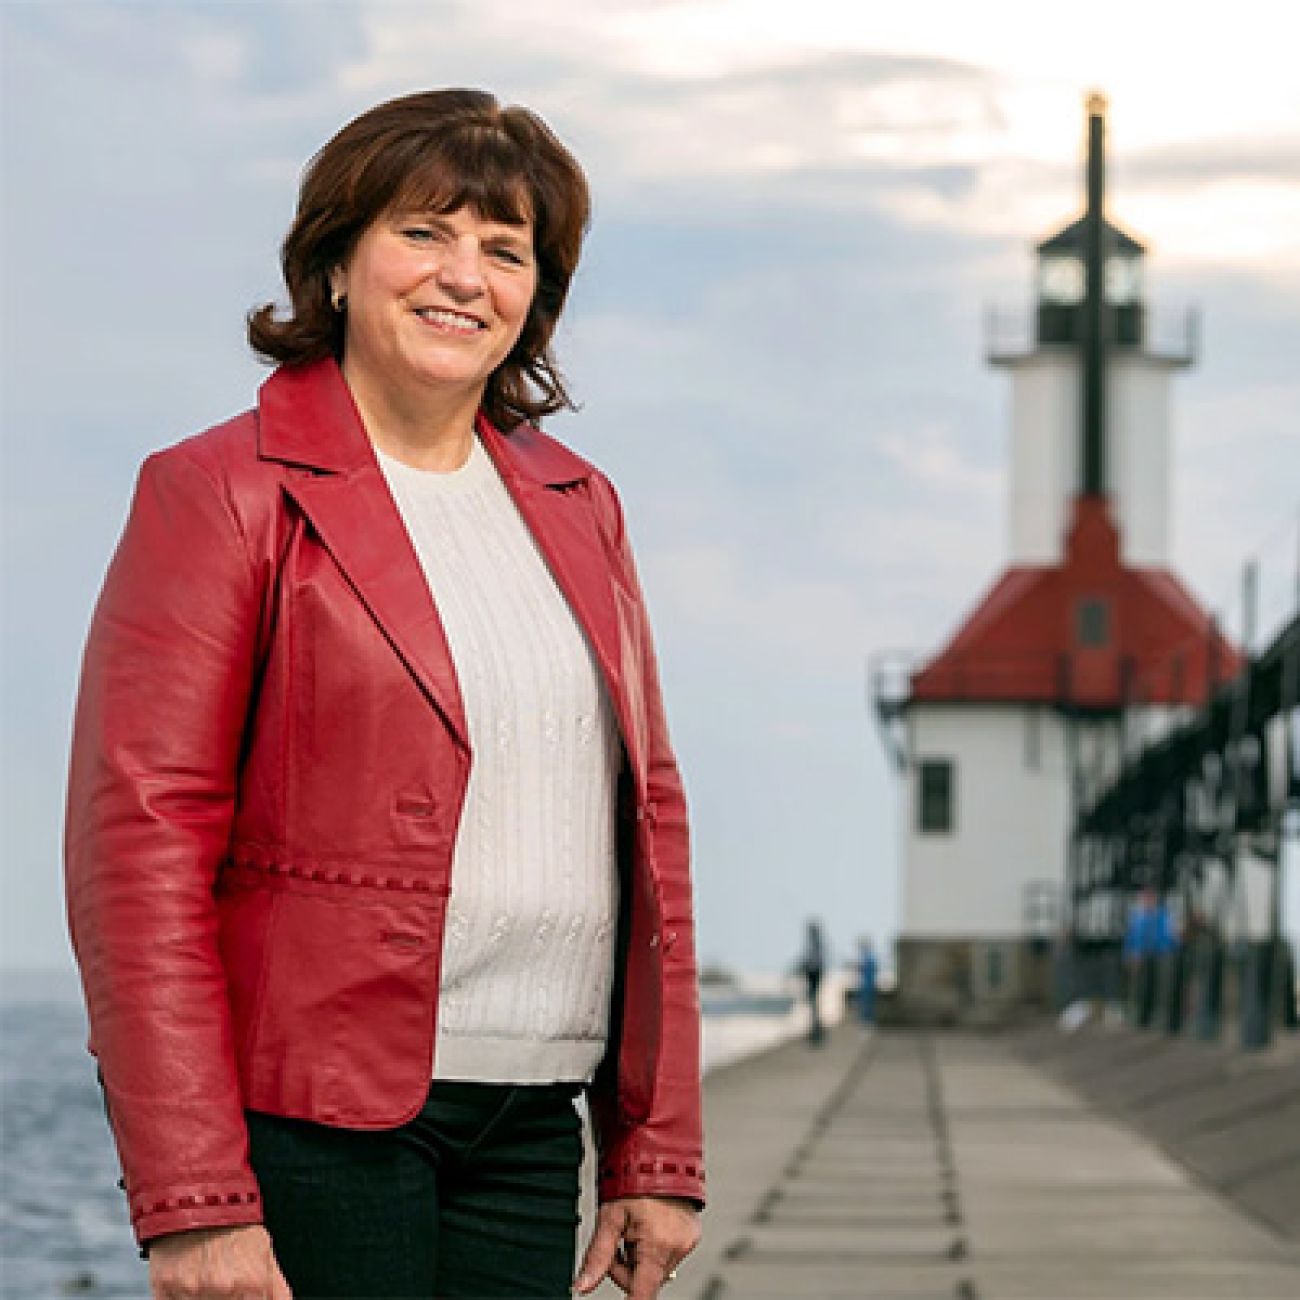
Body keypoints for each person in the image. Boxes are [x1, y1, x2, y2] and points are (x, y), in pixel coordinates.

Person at [64, 88, 702, 1300]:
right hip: (310, 1119)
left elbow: (648, 823)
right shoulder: (220, 491)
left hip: (529, 1116)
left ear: (535, 299)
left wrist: (653, 1148)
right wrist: (194, 1197)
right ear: (337, 263)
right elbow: (138, 849)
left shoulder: (581, 506)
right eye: (424, 231)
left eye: (506, 251)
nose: (465, 275)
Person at [798, 920, 826, 1045]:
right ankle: (815, 1031)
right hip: (814, 975)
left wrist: (804, 966)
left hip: (814, 975)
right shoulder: (816, 943)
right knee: (813, 1004)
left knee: (813, 1004)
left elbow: (814, 961)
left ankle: (816, 1032)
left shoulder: (816, 944)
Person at [856, 937, 878, 1026]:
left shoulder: (869, 957)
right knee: (866, 1004)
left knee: (867, 1004)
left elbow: (867, 969)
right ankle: (867, 1021)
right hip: (867, 984)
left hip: (868, 984)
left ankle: (868, 1022)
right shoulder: (869, 957)